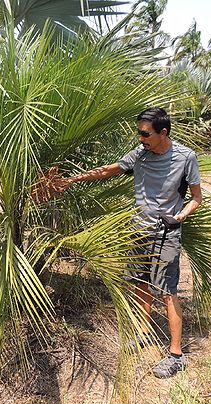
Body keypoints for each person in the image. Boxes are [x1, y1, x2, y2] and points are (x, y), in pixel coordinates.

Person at [51, 107, 202, 378]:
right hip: (138, 231)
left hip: (166, 233)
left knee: (167, 292)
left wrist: (181, 214)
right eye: (139, 133)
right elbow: (109, 171)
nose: (141, 138)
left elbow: (196, 198)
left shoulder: (185, 157)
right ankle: (143, 333)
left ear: (163, 133)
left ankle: (176, 354)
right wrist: (71, 180)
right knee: (140, 284)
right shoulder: (140, 155)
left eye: (145, 134)